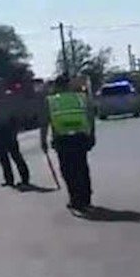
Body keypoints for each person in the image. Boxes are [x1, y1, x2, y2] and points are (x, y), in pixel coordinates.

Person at [40, 74, 96, 212]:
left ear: (57, 86)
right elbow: (90, 117)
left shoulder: (51, 101)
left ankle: (75, 198)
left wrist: (43, 140)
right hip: (80, 137)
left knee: (68, 171)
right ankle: (86, 198)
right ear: (69, 85)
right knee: (82, 168)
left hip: (62, 139)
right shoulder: (80, 98)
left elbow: (45, 122)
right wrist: (92, 134)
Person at [0, 76, 30, 187]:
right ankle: (9, 179)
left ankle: (25, 178)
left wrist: (15, 127)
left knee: (15, 155)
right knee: (3, 157)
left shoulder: (10, 96)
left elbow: (17, 112)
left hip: (8, 129)